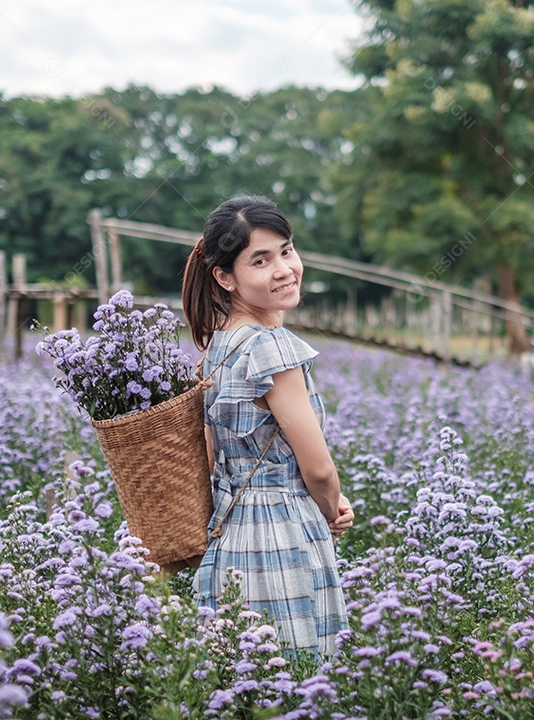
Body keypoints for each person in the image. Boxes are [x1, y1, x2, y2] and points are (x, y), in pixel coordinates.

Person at [181, 194, 353, 656]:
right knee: (296, 673)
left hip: (230, 535)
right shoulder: (272, 348)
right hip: (282, 535)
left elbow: (211, 459)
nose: (284, 270)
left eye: (286, 251)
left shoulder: (219, 347)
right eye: (260, 260)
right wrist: (333, 507)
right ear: (225, 277)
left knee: (239, 675)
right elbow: (318, 469)